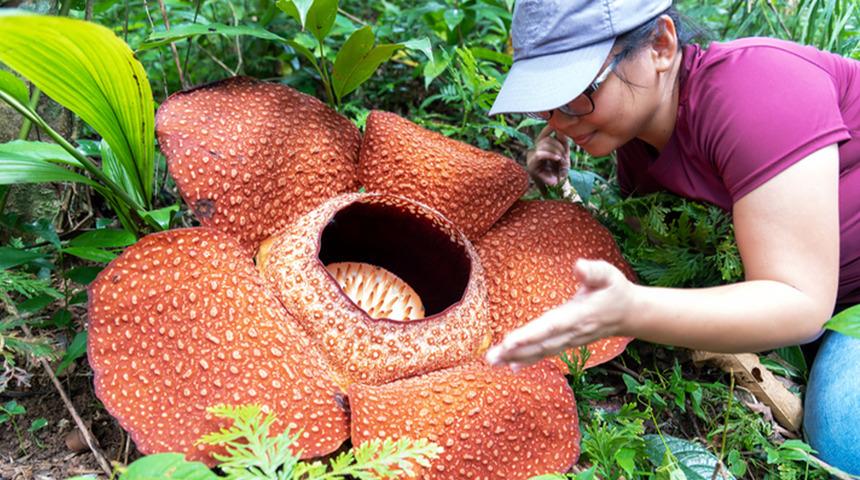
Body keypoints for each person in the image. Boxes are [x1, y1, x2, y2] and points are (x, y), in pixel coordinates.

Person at [483, 0, 860, 474]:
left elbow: (800, 304)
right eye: (546, 101)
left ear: (661, 45)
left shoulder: (757, 89)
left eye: (578, 92)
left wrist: (634, 311)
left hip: (833, 304)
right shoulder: (640, 146)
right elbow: (653, 247)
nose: (557, 121)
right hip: (838, 306)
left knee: (849, 436)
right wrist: (561, 194)